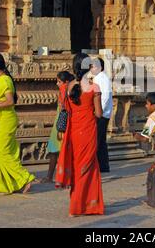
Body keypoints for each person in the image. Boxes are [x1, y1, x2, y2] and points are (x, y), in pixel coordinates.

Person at [55, 53, 105, 216]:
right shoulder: (93, 87)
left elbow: (64, 108)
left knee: (78, 167)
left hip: (74, 131)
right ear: (89, 67)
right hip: (88, 130)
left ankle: (84, 205)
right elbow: (98, 113)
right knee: (87, 167)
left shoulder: (68, 87)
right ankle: (78, 206)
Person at [0, 53, 35, 194]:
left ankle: (25, 178)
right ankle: (7, 183)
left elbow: (10, 101)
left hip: (5, 120)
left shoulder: (5, 81)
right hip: (0, 118)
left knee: (4, 152)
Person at [41, 71, 74, 184]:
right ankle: (62, 178)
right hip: (64, 124)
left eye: (59, 81)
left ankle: (52, 177)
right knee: (62, 152)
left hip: (61, 125)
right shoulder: (70, 90)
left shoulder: (65, 91)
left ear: (66, 82)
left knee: (55, 152)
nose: (57, 84)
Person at [91, 57, 113, 173]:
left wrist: (97, 112)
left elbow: (104, 97)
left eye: (93, 66)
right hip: (101, 113)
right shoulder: (97, 78)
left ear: (100, 67)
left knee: (98, 140)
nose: (91, 68)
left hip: (101, 114)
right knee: (100, 140)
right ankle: (102, 165)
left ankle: (101, 165)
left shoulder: (102, 79)